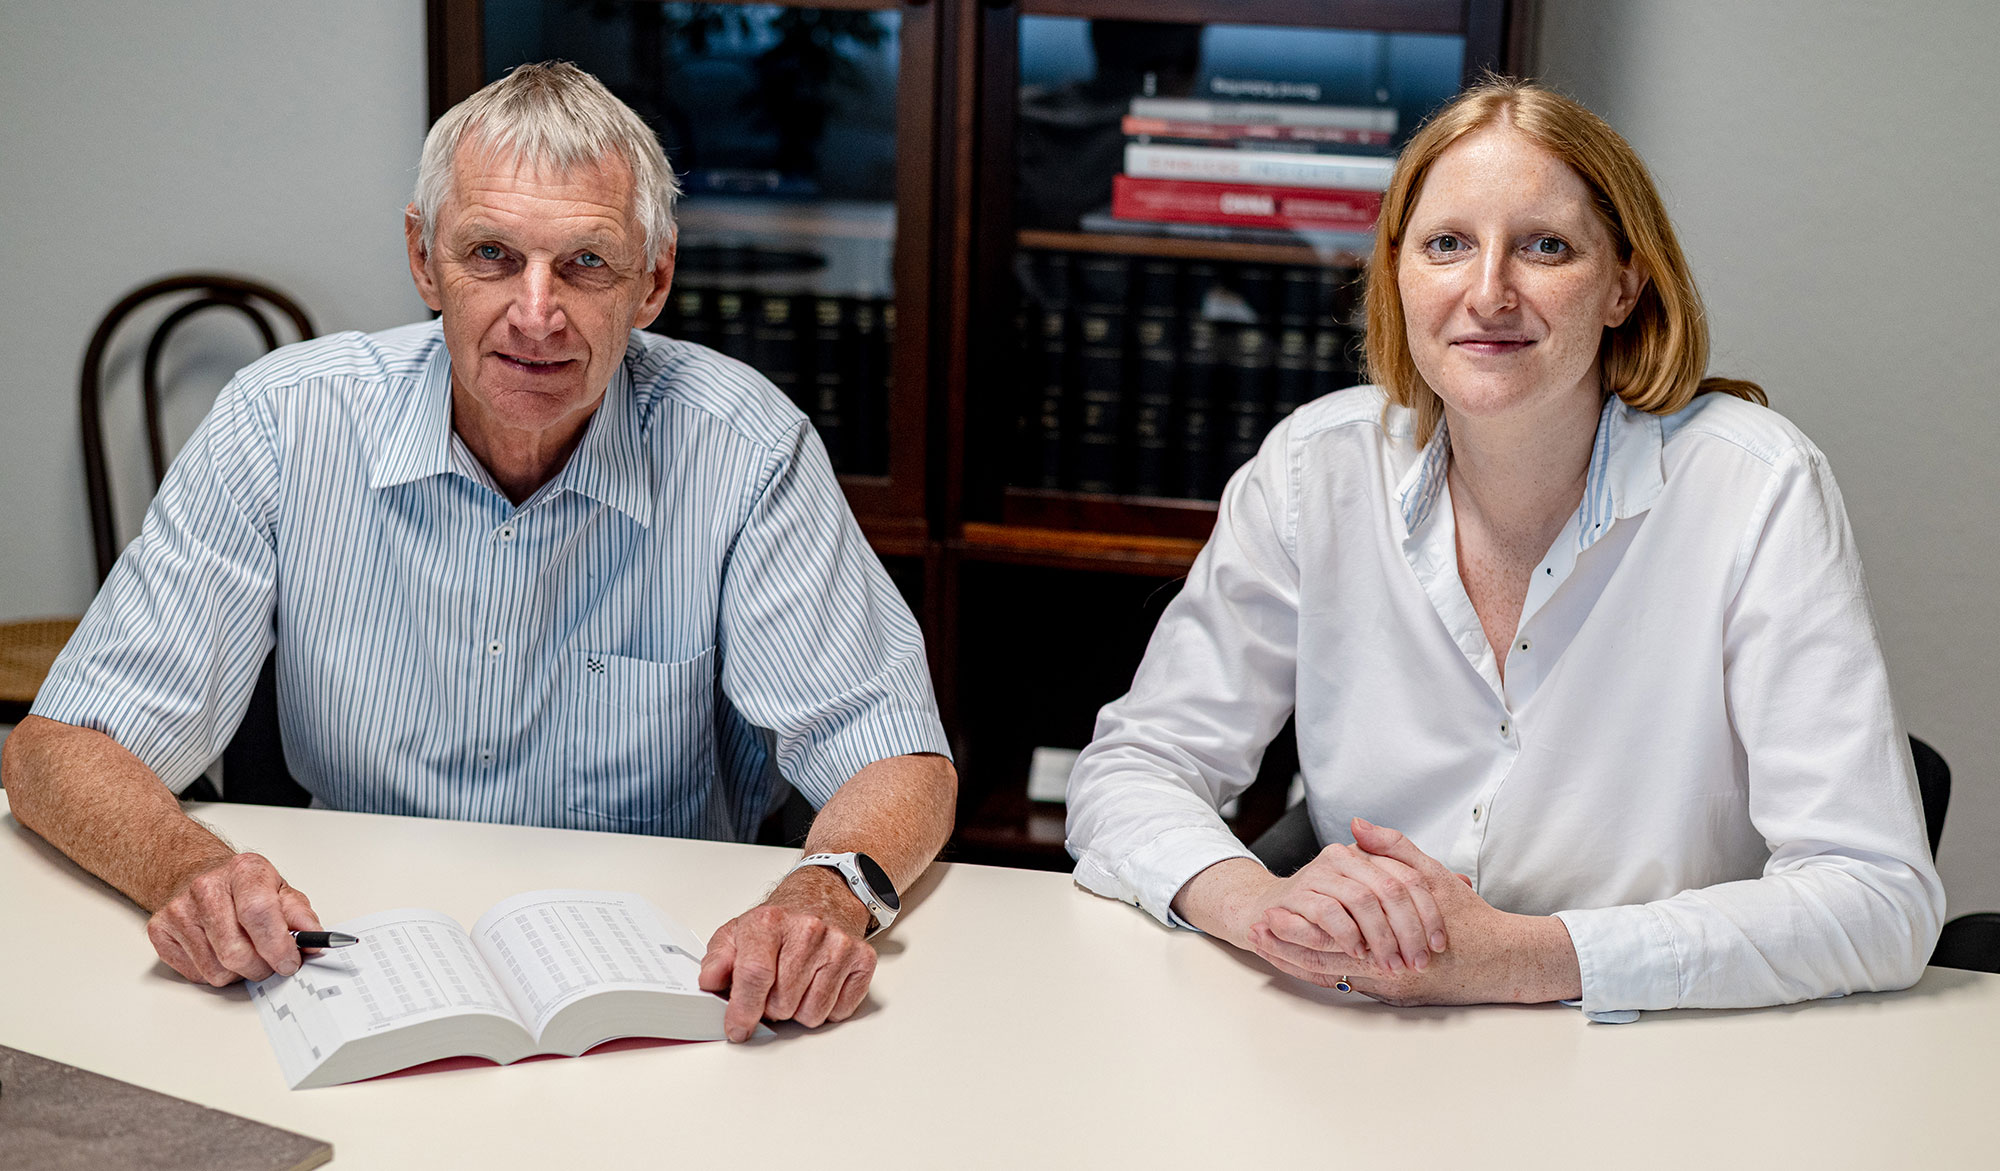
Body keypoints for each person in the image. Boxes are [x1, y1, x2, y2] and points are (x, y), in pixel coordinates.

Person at [1, 62, 955, 1044]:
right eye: (491, 254)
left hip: (665, 981)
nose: (534, 314)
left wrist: (823, 895)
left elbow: (897, 759)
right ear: (423, 260)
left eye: (586, 264)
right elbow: (56, 753)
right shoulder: (281, 422)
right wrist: (190, 873)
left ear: (653, 280)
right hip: (352, 969)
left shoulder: (745, 447)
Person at [1063, 77, 1944, 1020]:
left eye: (1546, 247)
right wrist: (1262, 905)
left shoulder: (1754, 487)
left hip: (1659, 1057)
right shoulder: (1316, 471)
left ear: (1623, 286)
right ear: (1398, 273)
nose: (1488, 293)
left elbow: (1879, 895)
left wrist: (1519, 957)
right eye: (1448, 244)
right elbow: (1132, 768)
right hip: (1369, 1042)